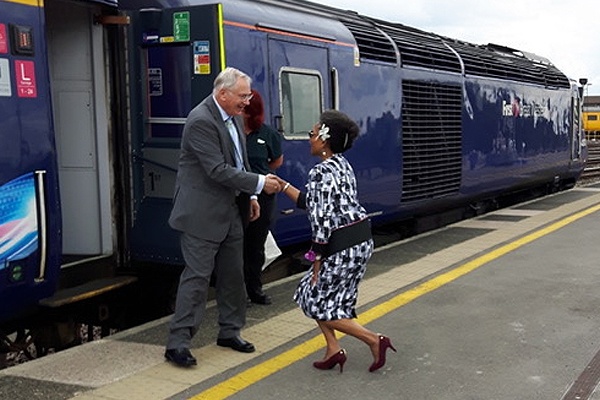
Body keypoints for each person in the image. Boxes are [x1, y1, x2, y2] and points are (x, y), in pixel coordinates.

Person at [165, 67, 281, 368]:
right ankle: (177, 343)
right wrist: (259, 184)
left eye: (248, 95)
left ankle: (230, 332)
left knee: (233, 276)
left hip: (232, 211)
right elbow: (217, 170)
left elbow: (239, 162)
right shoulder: (201, 121)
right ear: (223, 93)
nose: (248, 101)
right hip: (201, 215)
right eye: (243, 96)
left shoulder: (234, 118)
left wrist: (251, 198)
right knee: (197, 278)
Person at [276, 110, 396, 373]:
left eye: (312, 133)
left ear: (324, 139)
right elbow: (313, 203)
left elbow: (321, 219)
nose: (309, 138)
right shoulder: (342, 164)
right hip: (358, 239)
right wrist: (284, 186)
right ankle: (333, 348)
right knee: (312, 294)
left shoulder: (320, 172)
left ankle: (374, 340)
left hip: (341, 246)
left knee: (320, 301)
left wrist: (316, 258)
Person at [242, 89, 283, 305]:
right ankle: (237, 291)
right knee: (236, 244)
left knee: (256, 244)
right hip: (238, 193)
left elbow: (276, 161)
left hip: (263, 195)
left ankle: (255, 289)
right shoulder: (232, 132)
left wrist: (261, 174)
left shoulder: (267, 134)